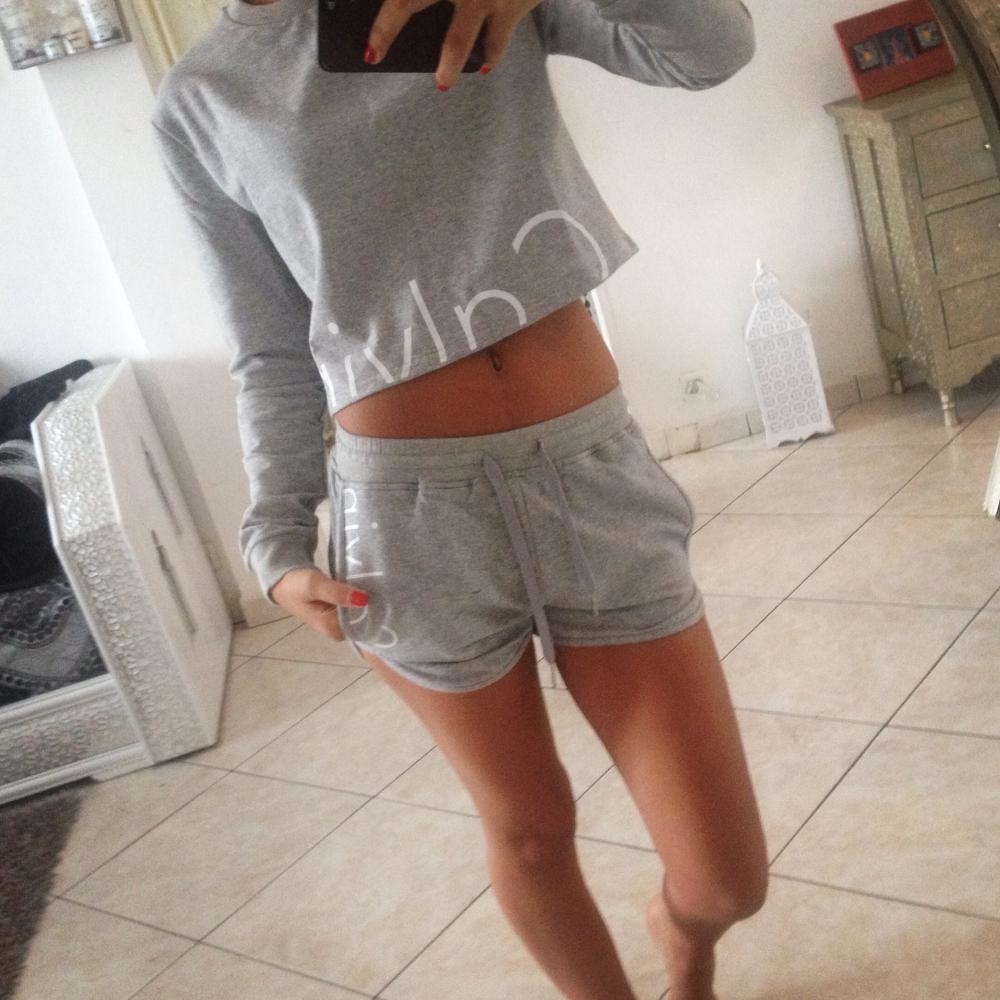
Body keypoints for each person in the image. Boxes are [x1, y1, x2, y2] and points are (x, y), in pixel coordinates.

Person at [151, 1, 766, 997]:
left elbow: (711, 50)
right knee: (530, 829)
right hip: (406, 517)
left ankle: (682, 933)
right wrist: (275, 535)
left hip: (588, 470)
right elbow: (269, 346)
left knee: (726, 878)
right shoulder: (203, 98)